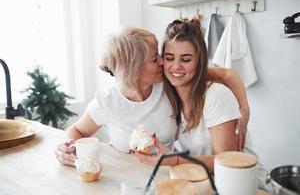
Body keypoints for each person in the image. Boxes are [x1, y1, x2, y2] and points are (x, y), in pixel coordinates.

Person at [55, 26, 249, 167]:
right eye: (155, 58)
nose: (164, 62)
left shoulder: (170, 81)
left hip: (173, 172)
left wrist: (244, 109)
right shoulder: (106, 102)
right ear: (134, 69)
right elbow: (77, 131)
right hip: (129, 175)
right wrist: (67, 149)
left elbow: (225, 75)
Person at [133, 19, 267, 190]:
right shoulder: (172, 95)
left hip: (244, 186)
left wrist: (176, 159)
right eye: (169, 58)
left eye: (186, 59)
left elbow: (225, 160)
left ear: (199, 61)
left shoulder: (216, 97)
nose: (176, 66)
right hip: (206, 183)